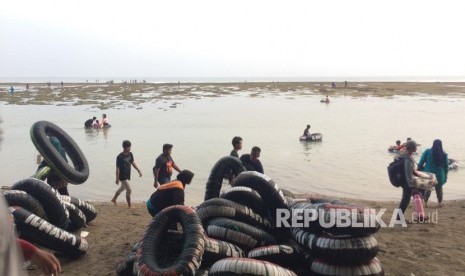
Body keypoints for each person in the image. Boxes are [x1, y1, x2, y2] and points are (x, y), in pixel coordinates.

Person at [417, 139, 449, 207]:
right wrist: (446, 176)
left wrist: (418, 169)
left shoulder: (427, 152)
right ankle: (439, 203)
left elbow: (421, 162)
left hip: (428, 175)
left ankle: (425, 203)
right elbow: (446, 167)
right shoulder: (444, 154)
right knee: (439, 189)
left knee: (428, 189)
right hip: (440, 175)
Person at [111, 140, 142, 208]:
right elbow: (117, 168)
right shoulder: (119, 157)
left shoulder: (130, 154)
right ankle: (129, 205)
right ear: (125, 147)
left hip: (127, 174)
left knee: (122, 188)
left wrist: (138, 170)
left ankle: (114, 199)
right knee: (129, 190)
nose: (130, 148)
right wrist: (117, 178)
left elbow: (132, 162)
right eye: (129, 147)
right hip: (122, 176)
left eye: (130, 147)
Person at [397, 140, 421, 219]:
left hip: (405, 182)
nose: (416, 148)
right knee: (405, 201)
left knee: (405, 200)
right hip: (407, 183)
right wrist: (412, 186)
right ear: (412, 148)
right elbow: (408, 174)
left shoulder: (407, 155)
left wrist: (416, 173)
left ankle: (399, 218)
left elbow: (410, 171)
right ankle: (398, 218)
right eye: (415, 147)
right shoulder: (407, 158)